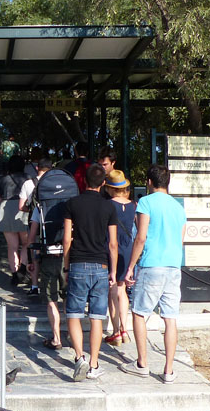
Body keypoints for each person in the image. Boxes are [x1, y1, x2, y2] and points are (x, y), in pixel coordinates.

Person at [119, 164, 187, 383]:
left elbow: (141, 236)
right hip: (173, 266)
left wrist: (130, 266)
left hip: (152, 264)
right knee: (170, 318)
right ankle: (168, 370)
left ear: (149, 182)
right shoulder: (178, 208)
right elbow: (181, 239)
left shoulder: (146, 202)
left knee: (139, 313)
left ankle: (142, 363)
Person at [63, 164, 118, 381]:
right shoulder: (109, 207)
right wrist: (113, 271)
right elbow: (112, 243)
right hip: (101, 265)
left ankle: (79, 357)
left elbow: (67, 238)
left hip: (78, 262)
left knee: (74, 313)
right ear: (103, 183)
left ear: (84, 181)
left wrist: (66, 265)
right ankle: (94, 364)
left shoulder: (72, 204)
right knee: (97, 316)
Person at [103, 170, 135, 346]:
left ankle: (115, 331)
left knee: (112, 290)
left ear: (110, 188)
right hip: (128, 248)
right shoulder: (133, 205)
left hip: (112, 246)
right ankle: (125, 329)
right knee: (122, 290)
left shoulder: (108, 205)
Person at [27, 205, 65, 349]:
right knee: (68, 296)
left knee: (51, 299)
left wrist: (32, 261)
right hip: (67, 256)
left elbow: (31, 239)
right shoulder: (71, 203)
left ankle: (56, 338)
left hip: (48, 256)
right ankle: (70, 332)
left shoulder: (40, 208)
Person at [0, 154, 30, 285]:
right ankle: (23, 270)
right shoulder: (27, 178)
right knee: (26, 243)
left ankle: (14, 274)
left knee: (12, 246)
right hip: (23, 209)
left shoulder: (4, 179)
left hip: (6, 210)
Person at [19, 157, 53, 296]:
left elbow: (21, 207)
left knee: (35, 254)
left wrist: (34, 212)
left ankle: (34, 286)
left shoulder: (28, 183)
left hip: (34, 223)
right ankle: (51, 285)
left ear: (37, 168)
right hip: (51, 224)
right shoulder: (54, 182)